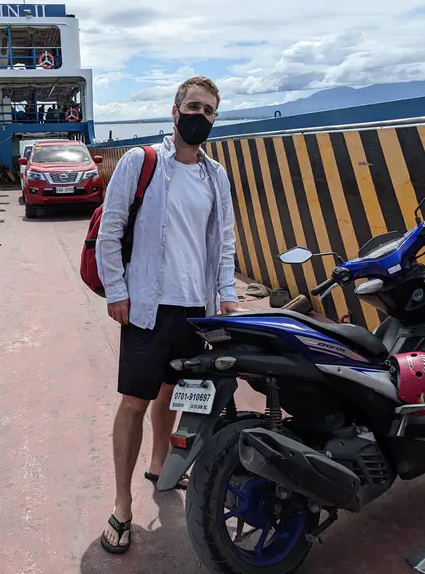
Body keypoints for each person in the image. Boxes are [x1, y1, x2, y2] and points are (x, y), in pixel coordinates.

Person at [96, 76, 241, 554]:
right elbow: (110, 228)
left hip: (194, 309)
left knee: (173, 391)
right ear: (175, 111)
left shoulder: (215, 176)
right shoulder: (143, 162)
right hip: (146, 307)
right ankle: (121, 504)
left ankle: (160, 466)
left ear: (215, 119)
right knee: (135, 403)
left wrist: (225, 295)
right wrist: (117, 291)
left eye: (210, 110)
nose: (201, 116)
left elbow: (222, 241)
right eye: (194, 106)